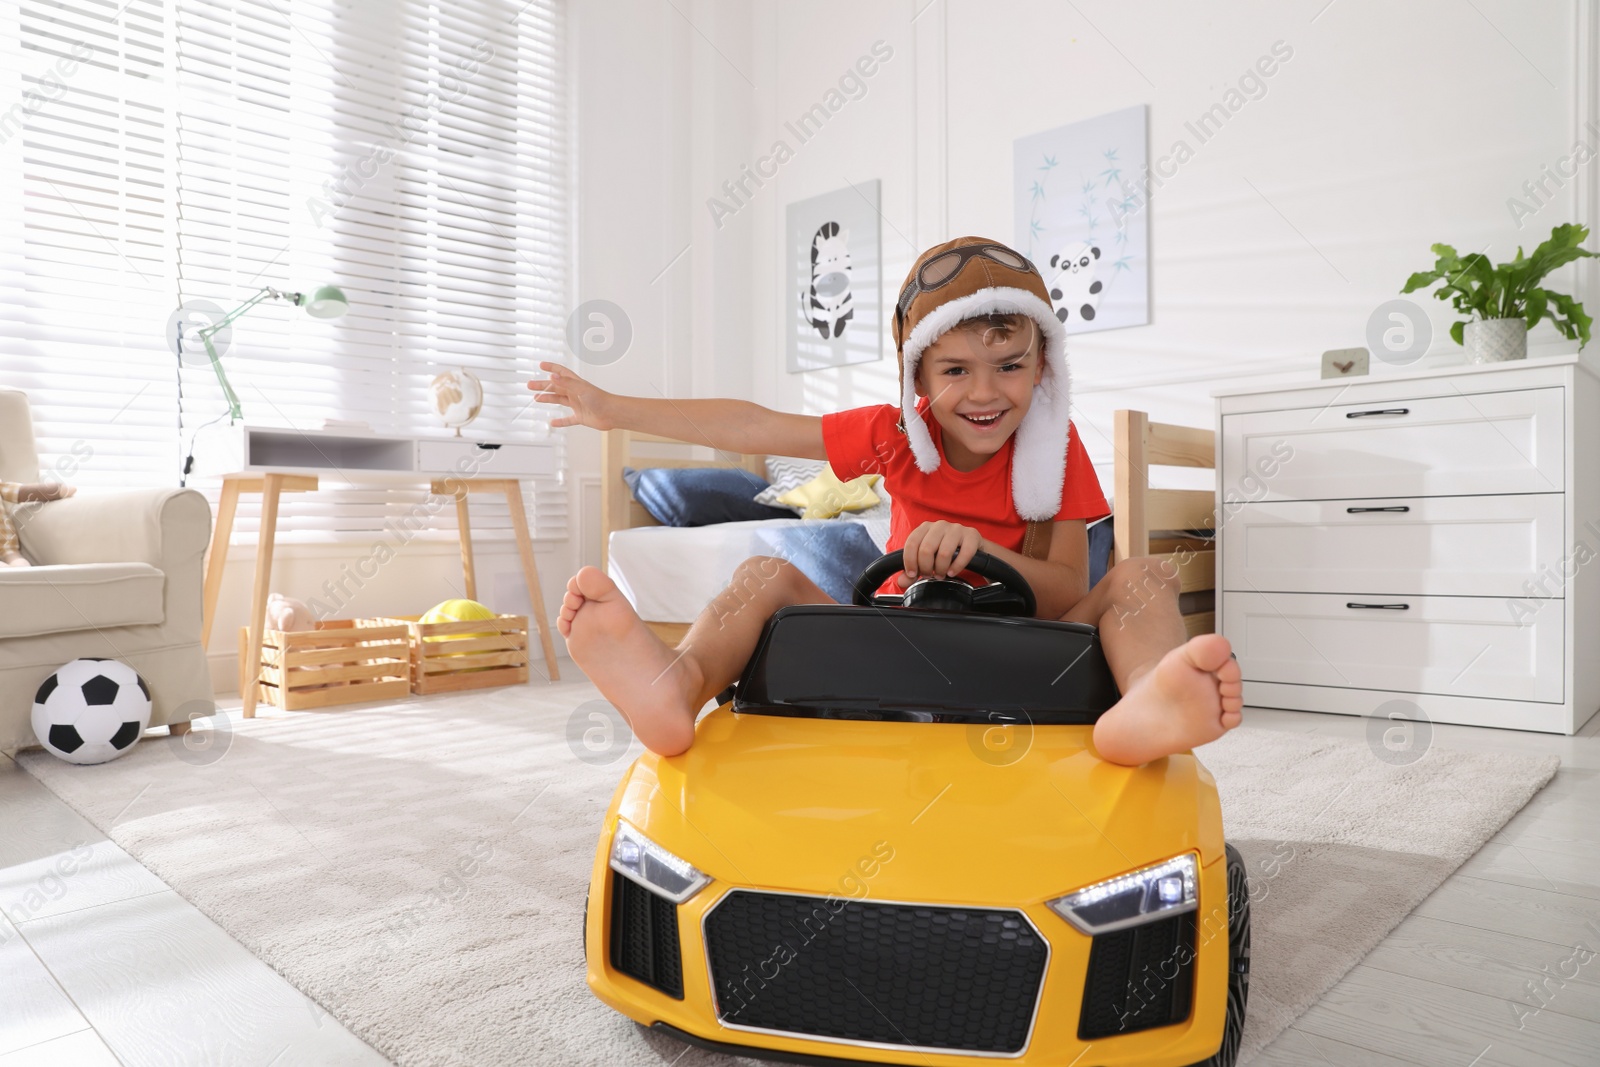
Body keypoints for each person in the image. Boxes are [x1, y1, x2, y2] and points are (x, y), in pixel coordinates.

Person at [529, 235, 1242, 765]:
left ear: (1041, 366)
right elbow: (752, 424)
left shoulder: (1055, 448)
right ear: (919, 377)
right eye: (957, 369)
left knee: (1143, 576)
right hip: (894, 638)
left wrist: (980, 548)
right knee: (762, 573)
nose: (986, 392)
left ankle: (1145, 703)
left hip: (1025, 646)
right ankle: (675, 682)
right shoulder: (896, 435)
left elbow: (1065, 596)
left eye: (1010, 366)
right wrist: (611, 407)